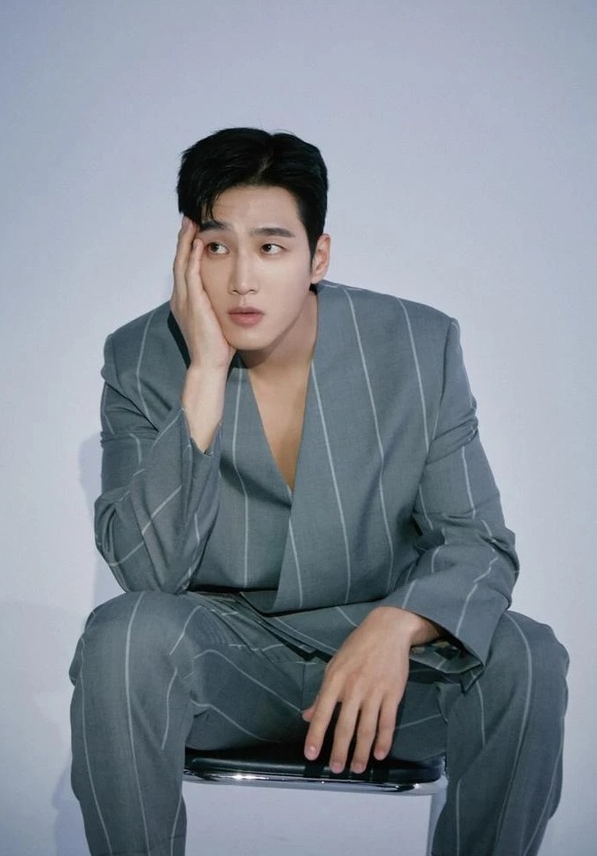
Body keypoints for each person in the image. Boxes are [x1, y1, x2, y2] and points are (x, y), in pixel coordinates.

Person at [69, 127, 568, 856]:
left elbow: (478, 541)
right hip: (228, 669)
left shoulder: (416, 344)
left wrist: (396, 626)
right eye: (217, 246)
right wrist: (203, 375)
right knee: (123, 636)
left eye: (271, 247)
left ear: (318, 256)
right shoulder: (139, 356)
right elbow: (148, 575)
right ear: (187, 253)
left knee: (527, 653)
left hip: (386, 681)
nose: (242, 280)